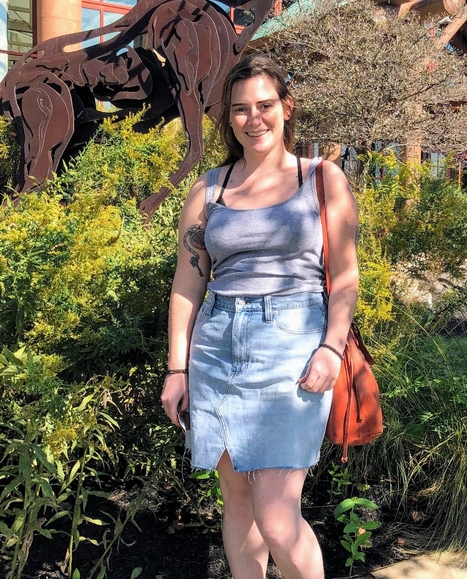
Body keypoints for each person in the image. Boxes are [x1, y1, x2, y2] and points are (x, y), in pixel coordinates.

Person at [161, 52, 359, 579]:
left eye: (265, 105)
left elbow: (345, 276)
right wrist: (177, 368)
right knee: (238, 502)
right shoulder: (209, 189)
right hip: (216, 345)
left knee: (276, 516)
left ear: (286, 108)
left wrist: (332, 346)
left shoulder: (322, 178)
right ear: (229, 118)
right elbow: (187, 284)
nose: (254, 118)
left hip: (292, 347)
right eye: (241, 109)